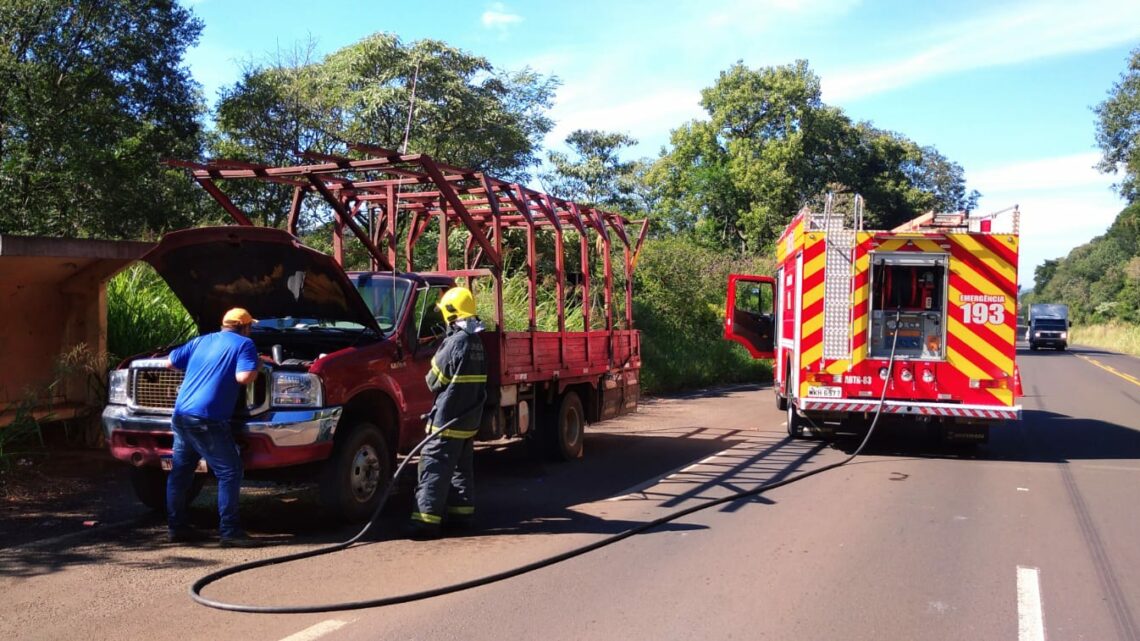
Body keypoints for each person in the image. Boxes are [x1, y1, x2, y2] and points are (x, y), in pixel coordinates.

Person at [166, 307, 260, 547]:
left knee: (181, 472)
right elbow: (244, 377)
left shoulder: (202, 340)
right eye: (251, 327)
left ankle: (177, 528)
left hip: (181, 414)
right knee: (230, 471)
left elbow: (170, 363)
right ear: (244, 327)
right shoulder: (244, 345)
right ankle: (230, 532)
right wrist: (259, 364)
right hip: (208, 419)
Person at [408, 286, 488, 540]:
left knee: (434, 467)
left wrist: (435, 358)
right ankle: (461, 517)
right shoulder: (477, 342)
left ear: (451, 313)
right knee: (461, 470)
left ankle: (425, 523)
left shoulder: (455, 342)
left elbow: (434, 381)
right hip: (467, 420)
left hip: (447, 420)